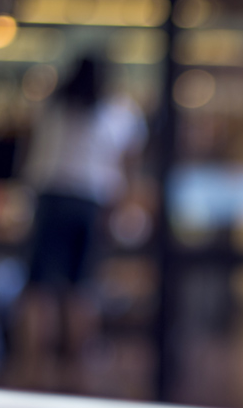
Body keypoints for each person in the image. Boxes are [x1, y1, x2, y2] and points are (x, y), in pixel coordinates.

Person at [12, 56, 148, 391]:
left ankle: (32, 367)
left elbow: (28, 153)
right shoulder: (119, 111)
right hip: (90, 202)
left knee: (38, 287)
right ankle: (77, 372)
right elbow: (130, 165)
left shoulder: (51, 106)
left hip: (49, 196)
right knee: (81, 288)